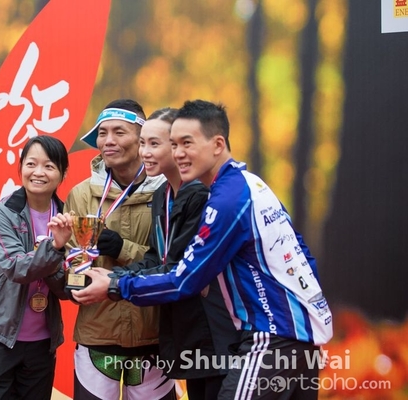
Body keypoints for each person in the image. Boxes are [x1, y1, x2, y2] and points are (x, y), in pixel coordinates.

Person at [74, 100, 334, 399]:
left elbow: (184, 279)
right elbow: (303, 255)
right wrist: (310, 326)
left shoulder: (226, 199)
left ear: (217, 144)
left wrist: (115, 285)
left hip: (269, 335)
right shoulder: (248, 184)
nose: (178, 153)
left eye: (186, 143)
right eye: (173, 144)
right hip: (290, 335)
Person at [82, 106, 239, 399]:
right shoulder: (161, 196)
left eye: (154, 144)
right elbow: (157, 257)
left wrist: (114, 284)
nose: (145, 152)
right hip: (188, 332)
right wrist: (113, 275)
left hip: (219, 332)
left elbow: (179, 270)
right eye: (143, 143)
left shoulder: (201, 196)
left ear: (177, 146)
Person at [63, 99, 175, 399]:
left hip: (155, 334)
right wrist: (73, 277)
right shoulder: (82, 194)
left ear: (142, 139)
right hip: (97, 335)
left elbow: (172, 261)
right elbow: (72, 258)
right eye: (102, 133)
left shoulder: (168, 190)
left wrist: (122, 248)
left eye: (119, 132)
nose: (108, 141)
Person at [0, 135, 72, 400]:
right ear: (21, 167)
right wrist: (55, 249)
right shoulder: (2, 212)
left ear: (63, 173)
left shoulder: (68, 218)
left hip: (41, 343)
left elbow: (65, 288)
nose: (38, 172)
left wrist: (65, 264)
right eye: (31, 164)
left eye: (49, 166)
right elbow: (15, 267)